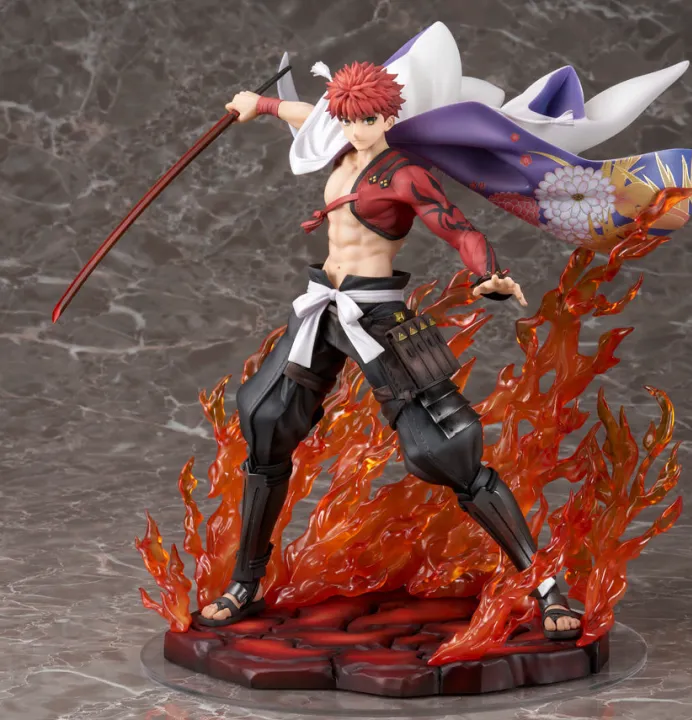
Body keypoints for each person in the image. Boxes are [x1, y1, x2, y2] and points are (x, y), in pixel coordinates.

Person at [196, 60, 584, 641]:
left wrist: (488, 273)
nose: (355, 130)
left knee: (447, 447)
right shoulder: (337, 146)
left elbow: (459, 228)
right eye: (347, 119)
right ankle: (244, 583)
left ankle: (546, 584)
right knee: (266, 420)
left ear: (389, 117)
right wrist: (262, 104)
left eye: (368, 120)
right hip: (322, 306)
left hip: (377, 315)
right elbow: (308, 116)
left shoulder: (406, 175)